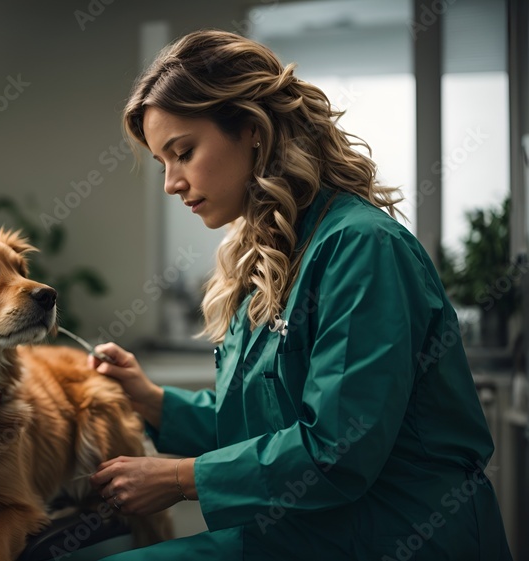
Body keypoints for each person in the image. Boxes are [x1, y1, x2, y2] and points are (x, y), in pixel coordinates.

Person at [88, 29, 513, 560]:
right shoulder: (267, 256)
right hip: (300, 535)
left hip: (394, 536)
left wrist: (178, 478)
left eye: (184, 152)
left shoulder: (363, 249)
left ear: (253, 131)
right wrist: (151, 401)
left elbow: (337, 451)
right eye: (163, 163)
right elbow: (258, 424)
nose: (171, 182)